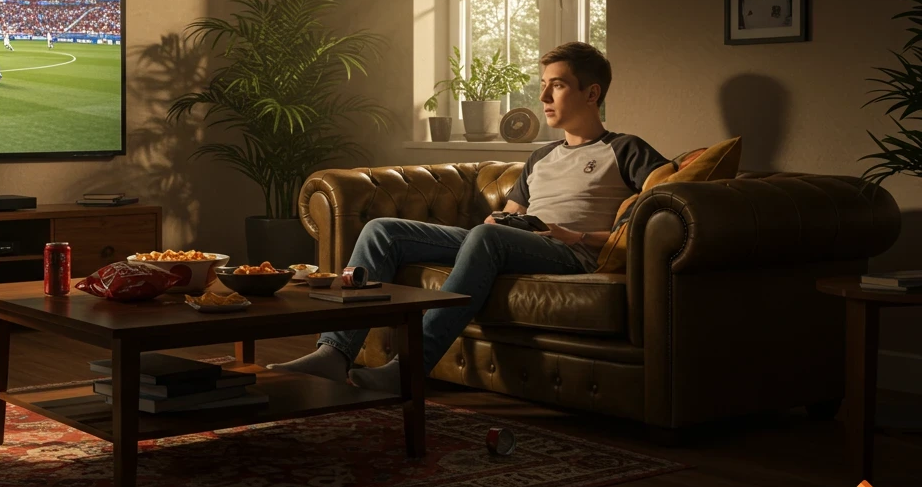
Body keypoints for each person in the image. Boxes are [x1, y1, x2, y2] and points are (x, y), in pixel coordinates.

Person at [268, 42, 668, 391]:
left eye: (557, 84)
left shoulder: (626, 149)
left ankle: (408, 370)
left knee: (485, 237)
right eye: (543, 83)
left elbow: (666, 203)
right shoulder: (541, 156)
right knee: (382, 231)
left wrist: (576, 237)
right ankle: (333, 354)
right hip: (519, 241)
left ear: (591, 92)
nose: (543, 94)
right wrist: (498, 220)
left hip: (571, 254)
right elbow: (511, 215)